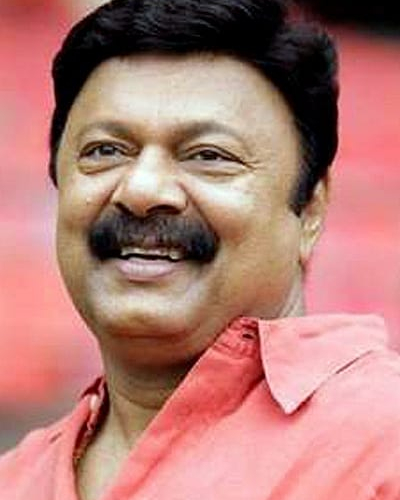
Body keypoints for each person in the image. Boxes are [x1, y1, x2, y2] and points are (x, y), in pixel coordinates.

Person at [1, 0, 400, 499]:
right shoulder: (15, 480)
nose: (142, 189)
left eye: (209, 155)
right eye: (105, 150)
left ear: (310, 210)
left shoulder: (382, 445)